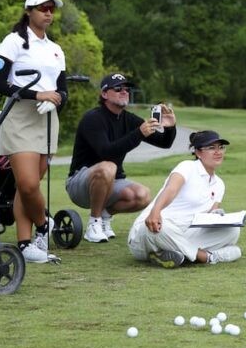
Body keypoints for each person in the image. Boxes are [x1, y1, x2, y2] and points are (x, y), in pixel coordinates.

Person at [0, 0, 69, 264]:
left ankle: (25, 244)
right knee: (27, 183)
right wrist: (37, 95)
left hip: (47, 118)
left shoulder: (55, 49)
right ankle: (44, 224)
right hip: (19, 115)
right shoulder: (13, 42)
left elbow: (63, 89)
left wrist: (57, 100)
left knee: (27, 189)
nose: (48, 13)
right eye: (42, 8)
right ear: (29, 11)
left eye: (51, 8)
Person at [66, 73, 178, 243]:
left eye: (127, 89)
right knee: (108, 166)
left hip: (110, 182)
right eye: (118, 89)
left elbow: (164, 143)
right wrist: (138, 134)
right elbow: (106, 152)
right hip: (80, 183)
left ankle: (104, 216)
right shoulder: (93, 118)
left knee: (143, 195)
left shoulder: (128, 119)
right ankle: (94, 223)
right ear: (104, 94)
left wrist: (170, 127)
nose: (124, 92)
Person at [127, 130, 242, 268]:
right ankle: (206, 257)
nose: (218, 152)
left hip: (182, 234)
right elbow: (171, 189)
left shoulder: (219, 184)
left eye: (221, 147)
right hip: (152, 231)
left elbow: (209, 217)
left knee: (232, 230)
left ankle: (171, 254)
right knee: (158, 228)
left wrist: (218, 216)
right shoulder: (187, 167)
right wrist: (155, 212)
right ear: (198, 152)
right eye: (211, 148)